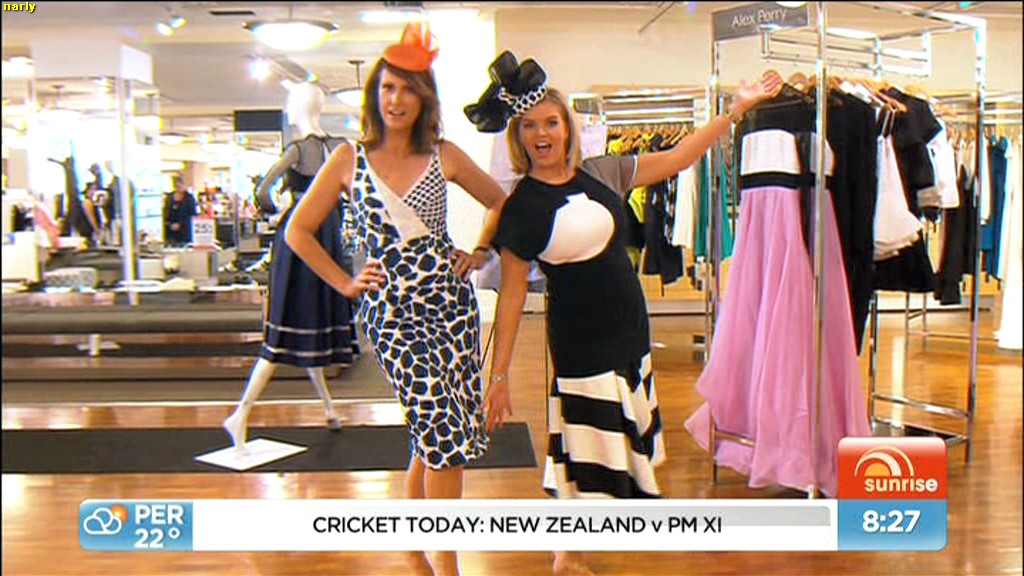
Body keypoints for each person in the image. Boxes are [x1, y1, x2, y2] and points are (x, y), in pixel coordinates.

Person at [470, 51, 782, 575]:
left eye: (551, 123)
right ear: (518, 137)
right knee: (587, 438)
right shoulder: (520, 206)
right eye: (530, 126)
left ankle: (569, 547)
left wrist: (736, 110)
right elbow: (513, 298)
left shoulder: (603, 171)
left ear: (567, 129)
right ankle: (567, 553)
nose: (542, 134)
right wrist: (498, 376)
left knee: (598, 437)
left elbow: (679, 157)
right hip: (581, 339)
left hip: (630, 330)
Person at [284, 22, 506, 576]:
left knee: (432, 429)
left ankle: (415, 539)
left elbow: (499, 200)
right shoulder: (347, 159)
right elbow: (298, 232)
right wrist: (344, 282)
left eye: (408, 88)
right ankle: (448, 564)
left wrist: (480, 250)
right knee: (444, 430)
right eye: (387, 87)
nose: (396, 99)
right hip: (391, 313)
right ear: (374, 94)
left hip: (450, 306)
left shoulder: (444, 154)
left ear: (424, 96)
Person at [223, 82, 354, 450]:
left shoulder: (297, 150)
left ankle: (241, 413)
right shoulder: (339, 147)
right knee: (311, 321)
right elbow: (352, 195)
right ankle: (328, 408)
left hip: (298, 238)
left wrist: (281, 209)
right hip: (328, 238)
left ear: (297, 107)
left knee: (284, 328)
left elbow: (262, 190)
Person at [164, 175, 197, 246]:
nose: (178, 186)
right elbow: (166, 213)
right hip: (171, 233)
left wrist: (181, 224)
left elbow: (193, 215)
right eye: (176, 185)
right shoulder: (169, 197)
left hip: (185, 232)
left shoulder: (189, 198)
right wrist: (169, 224)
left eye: (180, 184)